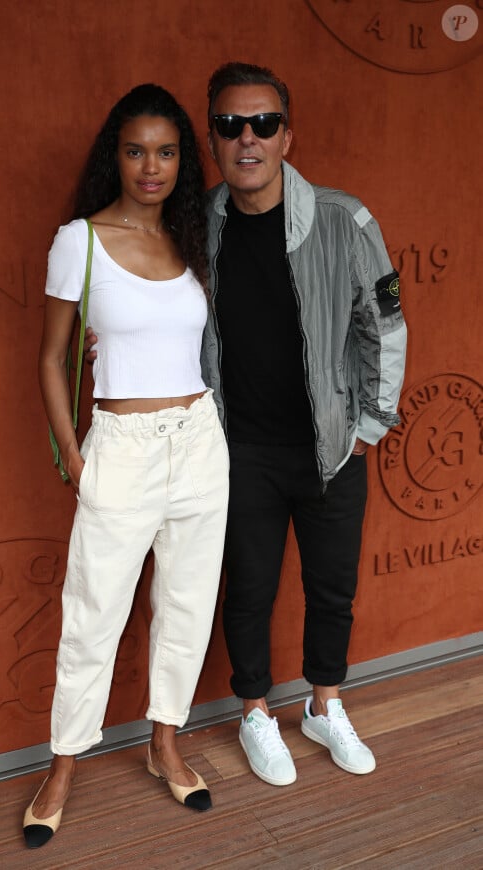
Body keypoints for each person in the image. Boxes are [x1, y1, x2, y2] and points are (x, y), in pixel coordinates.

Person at [85, 61, 407, 788]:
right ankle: (256, 712)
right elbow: (152, 304)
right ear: (214, 137)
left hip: (331, 446)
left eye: (263, 124)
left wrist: (369, 425)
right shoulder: (197, 225)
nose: (248, 139)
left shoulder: (342, 219)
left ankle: (325, 704)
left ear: (287, 135)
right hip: (237, 449)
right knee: (249, 588)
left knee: (332, 587)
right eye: (231, 125)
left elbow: (383, 324)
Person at [26, 83, 229, 849]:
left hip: (200, 443)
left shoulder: (190, 238)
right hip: (121, 449)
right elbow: (50, 358)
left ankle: (164, 742)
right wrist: (76, 455)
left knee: (185, 607)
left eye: (168, 151)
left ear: (184, 160)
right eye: (137, 149)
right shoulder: (77, 240)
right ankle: (63, 765)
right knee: (93, 616)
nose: (152, 166)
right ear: (115, 154)